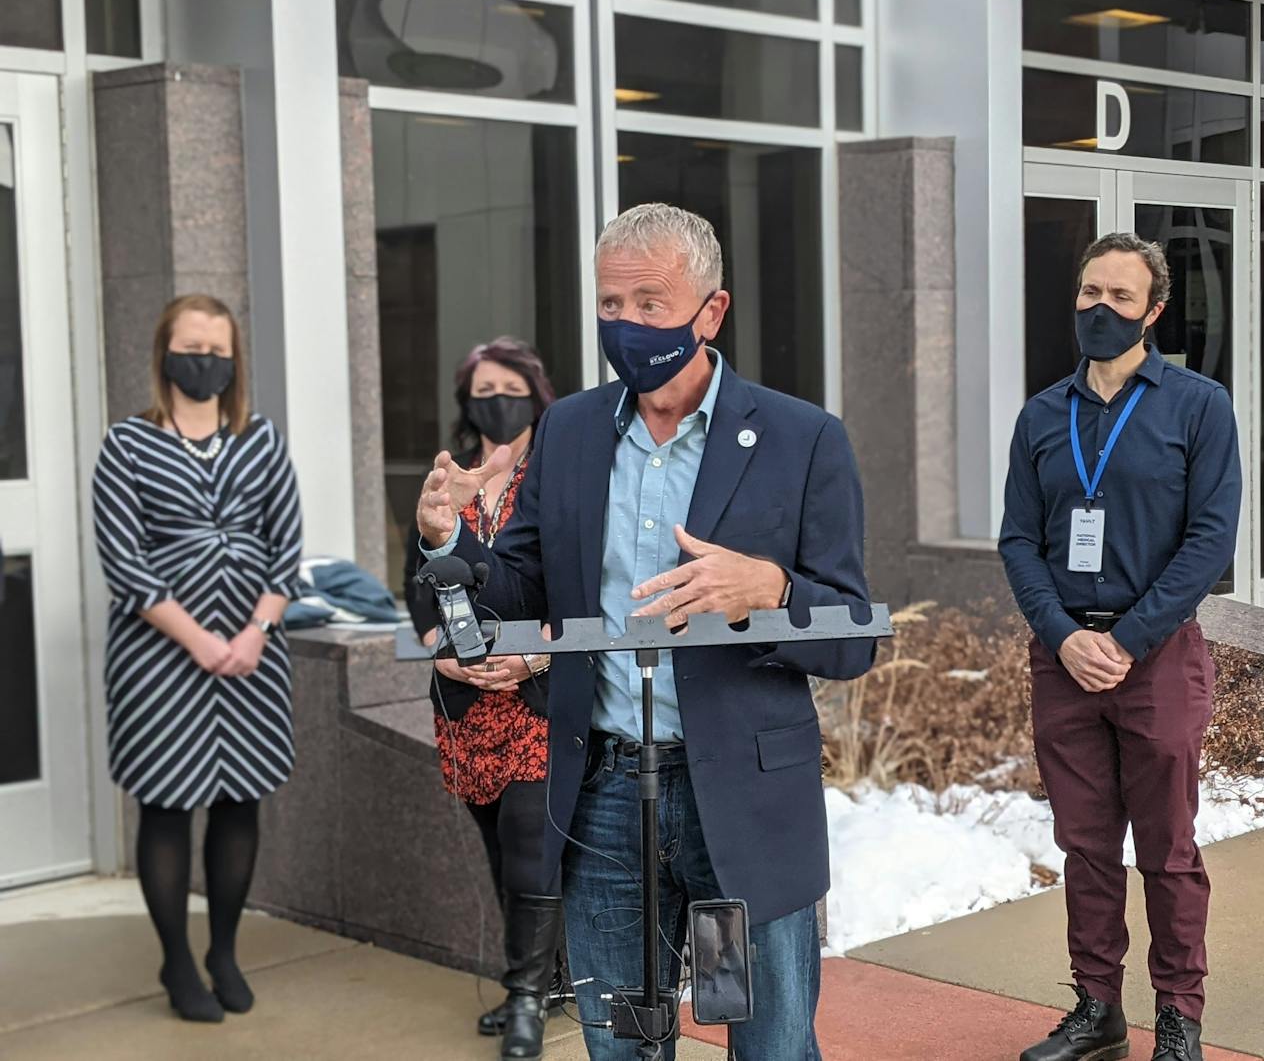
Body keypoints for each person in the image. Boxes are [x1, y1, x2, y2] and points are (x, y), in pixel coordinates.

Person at [415, 203, 874, 1059]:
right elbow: (519, 586)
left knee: (766, 1042)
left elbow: (853, 638)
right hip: (606, 799)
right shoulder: (571, 428)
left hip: (737, 805)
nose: (625, 325)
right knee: (622, 1043)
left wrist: (765, 590)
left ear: (712, 311)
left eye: (650, 304)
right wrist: (451, 540)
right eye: (610, 305)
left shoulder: (802, 439)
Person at [999, 233, 1241, 1061]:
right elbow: (1017, 542)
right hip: (1064, 661)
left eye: (1120, 297)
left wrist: (1130, 641)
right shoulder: (1041, 415)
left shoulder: (1198, 407)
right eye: (1088, 292)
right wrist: (1062, 637)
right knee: (1086, 845)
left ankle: (1179, 1013)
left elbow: (1210, 542)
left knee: (1168, 850)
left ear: (1154, 312)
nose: (1099, 309)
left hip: (1158, 659)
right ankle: (1097, 1005)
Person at [92, 294, 303, 1023]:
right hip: (160, 658)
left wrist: (255, 633)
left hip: (253, 652)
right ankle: (177, 960)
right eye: (192, 347)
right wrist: (201, 641)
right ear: (164, 354)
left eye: (218, 349)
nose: (205, 360)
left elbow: (287, 544)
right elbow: (126, 561)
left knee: (240, 798)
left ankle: (222, 950)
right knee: (167, 802)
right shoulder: (126, 445)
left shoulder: (262, 438)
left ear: (234, 360)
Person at [402, 337, 562, 1059]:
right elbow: (418, 581)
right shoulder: (447, 478)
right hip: (466, 701)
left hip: (537, 694)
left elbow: (579, 581)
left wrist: (536, 653)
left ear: (534, 392)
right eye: (482, 388)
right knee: (501, 850)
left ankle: (527, 996)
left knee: (532, 846)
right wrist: (441, 647)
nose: (496, 399)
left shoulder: (558, 475)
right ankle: (541, 979)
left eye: (509, 385)